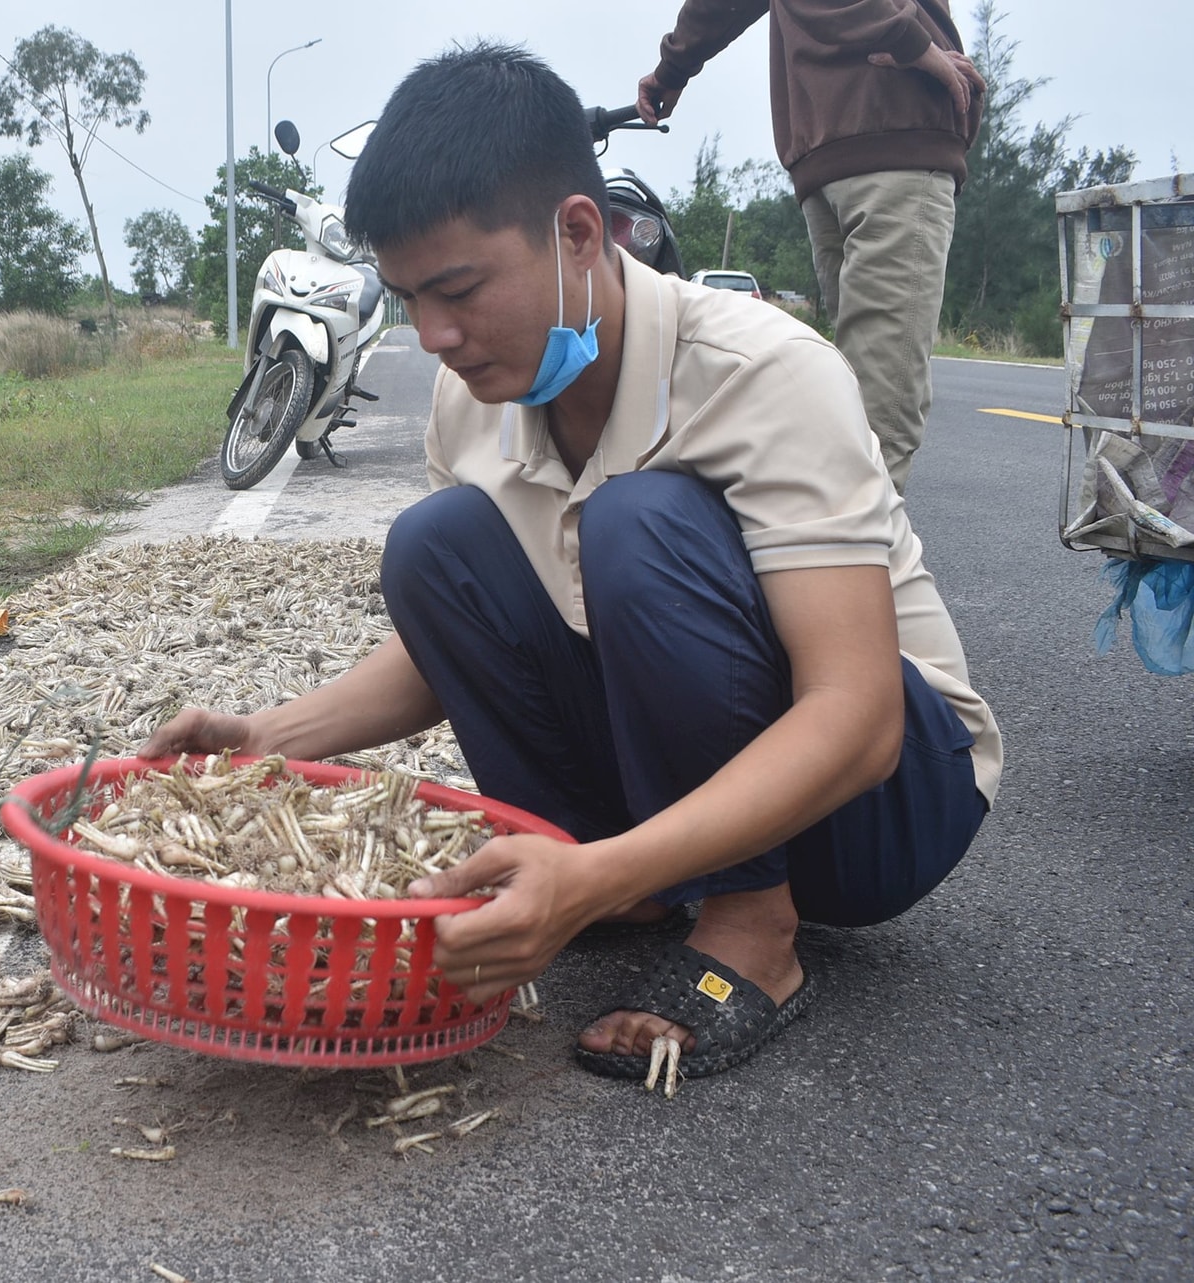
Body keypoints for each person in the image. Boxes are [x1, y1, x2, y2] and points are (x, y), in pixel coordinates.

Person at [140, 43, 1001, 1084]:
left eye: (458, 287)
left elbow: (860, 719)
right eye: (407, 296)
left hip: (885, 803)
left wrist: (590, 874)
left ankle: (750, 931)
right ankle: (625, 883)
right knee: (438, 547)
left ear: (579, 232)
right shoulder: (475, 401)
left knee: (639, 524)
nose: (436, 335)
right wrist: (265, 736)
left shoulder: (758, 371)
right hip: (693, 769)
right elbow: (453, 640)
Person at [637, 0, 985, 494]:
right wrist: (912, 40)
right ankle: (844, 562)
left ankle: (814, 554)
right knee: (880, 420)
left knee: (853, 407)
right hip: (895, 130)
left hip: (829, 143)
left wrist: (675, 65)